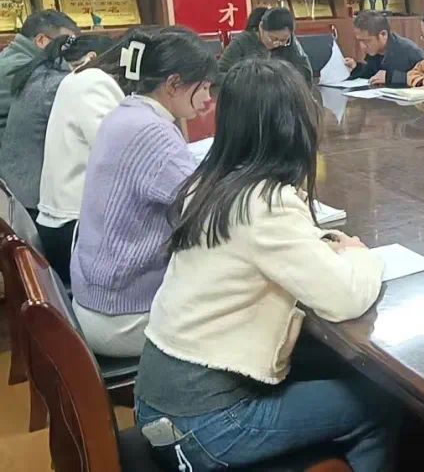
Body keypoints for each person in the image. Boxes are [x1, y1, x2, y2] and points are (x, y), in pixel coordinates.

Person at [135, 57, 397, 471]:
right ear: (294, 126)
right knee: (381, 403)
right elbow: (345, 298)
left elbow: (262, 249)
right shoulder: (265, 203)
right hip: (207, 423)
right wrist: (361, 255)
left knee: (329, 366)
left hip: (163, 399)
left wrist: (316, 248)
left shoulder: (211, 182)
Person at [70, 27, 217, 357]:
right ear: (173, 84)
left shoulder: (128, 111)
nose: (208, 98)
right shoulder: (153, 132)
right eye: (204, 86)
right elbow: (208, 205)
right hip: (123, 316)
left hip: (98, 299)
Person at [36, 28, 153, 281]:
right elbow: (121, 152)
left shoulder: (84, 78)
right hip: (73, 225)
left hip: (68, 221)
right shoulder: (93, 83)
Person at [0, 34, 112, 215]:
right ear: (92, 58)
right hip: (35, 200)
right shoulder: (62, 85)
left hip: (14, 190)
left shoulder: (40, 73)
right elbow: (105, 142)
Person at [0, 9, 79, 144]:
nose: (69, 51)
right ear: (41, 40)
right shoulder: (18, 67)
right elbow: (63, 89)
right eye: (66, 44)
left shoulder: (12, 55)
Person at [218, 6, 313, 83]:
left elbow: (306, 74)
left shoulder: (290, 42)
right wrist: (246, 80)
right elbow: (218, 74)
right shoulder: (242, 42)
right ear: (261, 27)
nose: (277, 44)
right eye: (273, 38)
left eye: (283, 40)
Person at [343, 11, 424, 88]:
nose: (363, 46)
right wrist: (356, 67)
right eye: (360, 41)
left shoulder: (409, 50)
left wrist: (390, 77)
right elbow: (371, 74)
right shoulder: (374, 52)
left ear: (383, 34)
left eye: (367, 41)